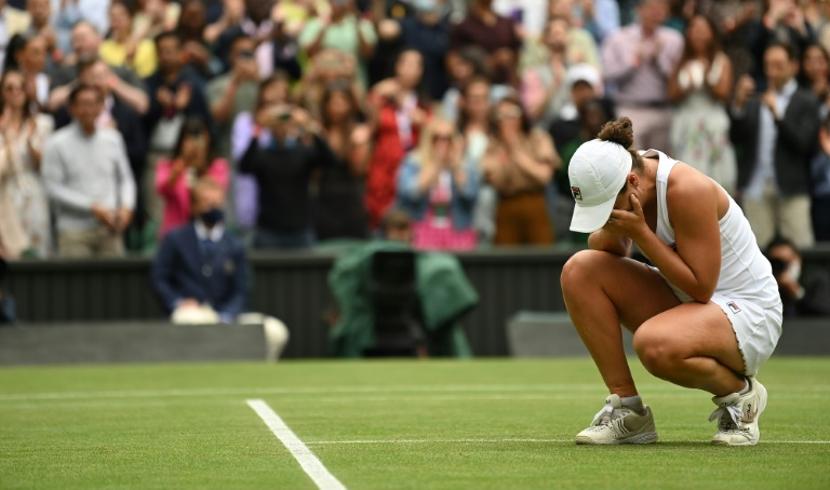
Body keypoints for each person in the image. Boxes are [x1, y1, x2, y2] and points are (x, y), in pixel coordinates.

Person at [561, 117, 782, 446]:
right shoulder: (632, 191)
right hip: (691, 303)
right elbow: (608, 249)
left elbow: (701, 287)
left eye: (607, 206)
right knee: (579, 270)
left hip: (750, 313)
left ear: (633, 180)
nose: (605, 215)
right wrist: (616, 227)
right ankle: (628, 410)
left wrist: (641, 234)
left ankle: (741, 396)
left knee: (653, 344)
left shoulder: (686, 189)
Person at [729, 42, 820, 249]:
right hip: (756, 186)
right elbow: (736, 139)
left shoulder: (806, 100)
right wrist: (739, 106)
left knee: (801, 250)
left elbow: (803, 144)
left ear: (794, 66)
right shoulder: (755, 99)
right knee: (756, 253)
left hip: (792, 187)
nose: (772, 71)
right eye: (768, 65)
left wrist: (777, 116)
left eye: (779, 65)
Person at [42, 84, 136, 258]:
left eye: (93, 103)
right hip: (73, 232)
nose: (88, 109)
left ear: (102, 107)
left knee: (114, 284)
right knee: (76, 285)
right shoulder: (56, 143)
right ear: (72, 108)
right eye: (83, 104)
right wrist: (92, 207)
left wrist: (126, 208)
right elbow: (52, 188)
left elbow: (125, 179)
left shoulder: (113, 139)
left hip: (110, 228)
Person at [152, 178, 246, 325]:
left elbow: (240, 290)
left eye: (217, 203)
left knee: (273, 330)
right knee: (191, 319)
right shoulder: (175, 239)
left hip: (224, 315)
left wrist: (227, 314)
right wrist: (178, 302)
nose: (213, 208)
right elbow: (159, 279)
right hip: (189, 313)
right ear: (194, 206)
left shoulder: (235, 244)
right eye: (207, 203)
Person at [238, 104, 334, 249]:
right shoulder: (262, 155)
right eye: (277, 123)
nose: (281, 127)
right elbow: (243, 167)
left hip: (300, 231)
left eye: (284, 122)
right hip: (268, 232)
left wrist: (309, 125)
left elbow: (329, 159)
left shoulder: (302, 152)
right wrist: (258, 128)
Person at [668, 14, 737, 194]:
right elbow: (671, 95)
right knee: (688, 175)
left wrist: (706, 77)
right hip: (687, 121)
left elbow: (724, 94)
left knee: (716, 177)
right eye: (694, 30)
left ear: (712, 34)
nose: (698, 34)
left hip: (712, 121)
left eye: (703, 30)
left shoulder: (721, 61)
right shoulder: (681, 61)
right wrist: (687, 87)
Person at [601, 0, 683, 151]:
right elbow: (607, 75)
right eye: (651, 7)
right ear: (639, 9)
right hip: (630, 109)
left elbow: (679, 80)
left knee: (662, 166)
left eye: (660, 8)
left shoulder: (674, 39)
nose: (655, 12)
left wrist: (659, 60)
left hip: (663, 110)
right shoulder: (619, 37)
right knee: (633, 163)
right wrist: (633, 63)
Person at [483, 96, 559, 245]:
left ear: (521, 116)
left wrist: (515, 152)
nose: (507, 120)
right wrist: (507, 151)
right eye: (501, 116)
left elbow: (544, 176)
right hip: (506, 205)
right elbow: (496, 181)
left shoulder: (537, 138)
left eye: (512, 114)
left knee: (541, 254)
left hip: (535, 202)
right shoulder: (492, 146)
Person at [397, 118, 480, 251]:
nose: (443, 143)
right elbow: (410, 194)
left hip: (457, 229)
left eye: (448, 138)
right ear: (428, 139)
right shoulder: (414, 162)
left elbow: (470, 195)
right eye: (437, 138)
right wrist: (436, 163)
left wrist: (456, 165)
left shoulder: (466, 165)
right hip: (422, 229)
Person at [0, 69, 53, 259]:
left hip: (34, 191)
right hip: (4, 193)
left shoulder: (42, 123)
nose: (15, 92)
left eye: (20, 87)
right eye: (9, 88)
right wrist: (6, 135)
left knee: (37, 250)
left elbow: (48, 167)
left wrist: (31, 145)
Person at [313, 81, 371, 241]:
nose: (337, 106)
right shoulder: (318, 133)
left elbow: (359, 170)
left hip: (351, 200)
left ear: (351, 104)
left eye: (342, 101)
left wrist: (356, 144)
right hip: (324, 200)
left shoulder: (357, 131)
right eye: (333, 101)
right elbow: (314, 173)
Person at [155, 118, 229, 238]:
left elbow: (215, 194)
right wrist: (178, 170)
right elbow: (162, 190)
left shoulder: (218, 166)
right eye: (189, 139)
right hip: (176, 233)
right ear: (181, 141)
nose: (194, 145)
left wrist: (201, 165)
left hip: (208, 234)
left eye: (199, 138)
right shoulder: (168, 166)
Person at [765, 236, 830, 317]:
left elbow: (823, 314)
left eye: (787, 262)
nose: (783, 268)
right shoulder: (763, 284)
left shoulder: (817, 279)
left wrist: (797, 292)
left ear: (798, 259)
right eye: (777, 263)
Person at [99, 0, 158, 78]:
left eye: (121, 15)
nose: (117, 21)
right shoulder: (104, 47)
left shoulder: (147, 45)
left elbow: (148, 77)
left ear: (131, 17)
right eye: (112, 17)